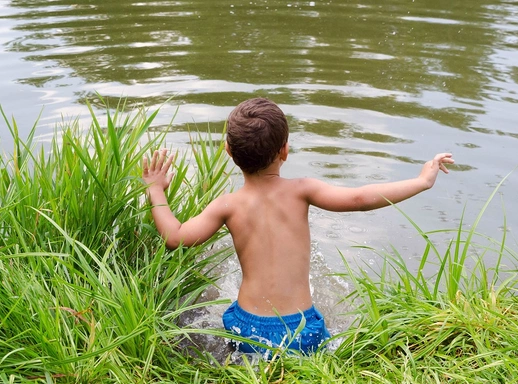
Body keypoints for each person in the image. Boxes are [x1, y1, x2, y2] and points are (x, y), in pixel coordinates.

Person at [142, 97, 454, 357]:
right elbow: (360, 198)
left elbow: (176, 237)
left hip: (246, 327)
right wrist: (421, 181)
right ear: (285, 151)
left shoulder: (227, 205)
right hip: (301, 328)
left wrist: (156, 190)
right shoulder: (303, 190)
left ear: (228, 151)